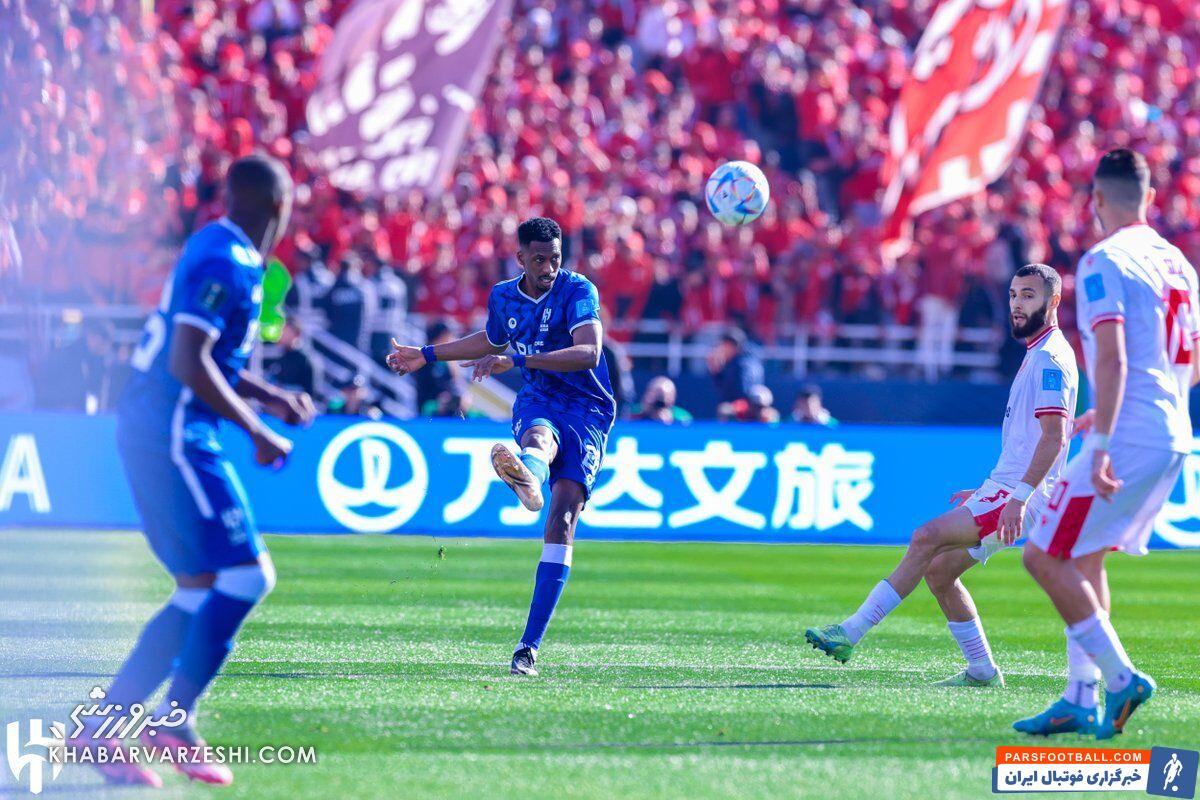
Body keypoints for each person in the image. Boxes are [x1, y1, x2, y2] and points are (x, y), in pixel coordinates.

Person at [79, 155, 315, 788]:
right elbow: (187, 362)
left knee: (198, 586)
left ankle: (100, 729)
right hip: (173, 435)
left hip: (161, 429)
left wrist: (270, 397)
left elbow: (208, 356)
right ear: (279, 206)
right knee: (248, 574)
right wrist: (258, 430)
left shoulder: (217, 246)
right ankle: (173, 720)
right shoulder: (226, 261)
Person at [806, 264, 1077, 689]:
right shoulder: (1037, 352)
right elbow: (1030, 441)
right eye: (1013, 295)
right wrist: (989, 490)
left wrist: (1018, 497)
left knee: (925, 537)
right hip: (1006, 488)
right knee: (938, 571)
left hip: (1022, 494)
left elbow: (1055, 437)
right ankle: (982, 671)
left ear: (1053, 301)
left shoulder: (1049, 359)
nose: (1017, 304)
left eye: (1028, 295)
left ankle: (850, 632)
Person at [1014, 150, 1199, 739]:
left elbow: (1113, 357)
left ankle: (1121, 678)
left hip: (1131, 437)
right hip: (1173, 431)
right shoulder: (1179, 265)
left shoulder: (1103, 261)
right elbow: (1189, 363)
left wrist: (1101, 443)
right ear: (1150, 198)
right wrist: (1115, 411)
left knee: (1042, 554)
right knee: (1084, 556)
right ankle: (1079, 697)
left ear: (1096, 200)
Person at [387, 217, 616, 677]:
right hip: (540, 397)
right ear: (521, 258)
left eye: (554, 258)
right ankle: (529, 473)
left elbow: (589, 353)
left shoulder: (578, 290)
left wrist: (518, 359)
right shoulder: (504, 297)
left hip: (587, 407)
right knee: (538, 436)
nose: (548, 267)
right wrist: (426, 354)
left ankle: (529, 645)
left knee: (563, 517)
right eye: (539, 259)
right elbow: (489, 340)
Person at [707, 327, 763, 404]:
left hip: (745, 407)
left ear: (731, 346)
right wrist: (716, 372)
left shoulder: (743, 365)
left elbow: (743, 395)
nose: (721, 350)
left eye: (723, 346)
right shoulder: (738, 361)